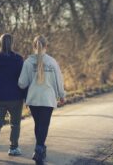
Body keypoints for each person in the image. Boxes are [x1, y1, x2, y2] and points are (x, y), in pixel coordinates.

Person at [18, 35, 65, 164]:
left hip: (33, 99)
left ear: (34, 46)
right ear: (46, 46)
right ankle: (39, 149)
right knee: (44, 125)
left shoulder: (28, 62)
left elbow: (22, 83)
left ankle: (40, 147)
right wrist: (62, 95)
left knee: (38, 124)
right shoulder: (52, 62)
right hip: (47, 99)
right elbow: (59, 80)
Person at [0, 33, 25, 160]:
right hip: (15, 96)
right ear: (11, 43)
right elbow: (23, 79)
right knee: (15, 123)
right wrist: (25, 94)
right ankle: (13, 148)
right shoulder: (18, 59)